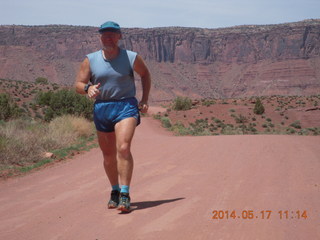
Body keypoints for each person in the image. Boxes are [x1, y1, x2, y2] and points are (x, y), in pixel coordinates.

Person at [75, 21, 151, 212]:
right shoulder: (90, 60)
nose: (108, 38)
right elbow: (78, 84)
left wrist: (144, 99)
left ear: (119, 37)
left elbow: (145, 75)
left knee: (123, 148)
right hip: (102, 108)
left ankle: (125, 194)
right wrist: (87, 88)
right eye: (105, 35)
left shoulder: (131, 57)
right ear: (100, 37)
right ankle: (115, 191)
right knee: (108, 156)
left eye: (112, 34)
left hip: (126, 105)